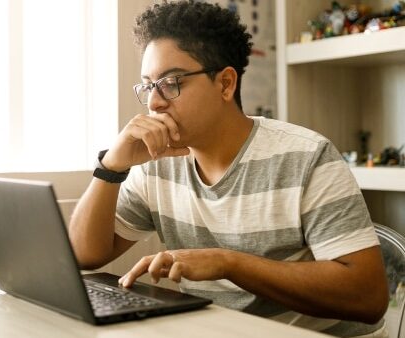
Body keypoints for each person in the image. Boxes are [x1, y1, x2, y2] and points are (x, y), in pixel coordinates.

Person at [68, 1, 389, 337]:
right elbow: (84, 254)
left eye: (171, 82)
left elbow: (367, 298)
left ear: (225, 84)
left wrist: (228, 263)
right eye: (149, 85)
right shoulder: (157, 167)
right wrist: (111, 167)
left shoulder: (307, 157)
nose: (154, 102)